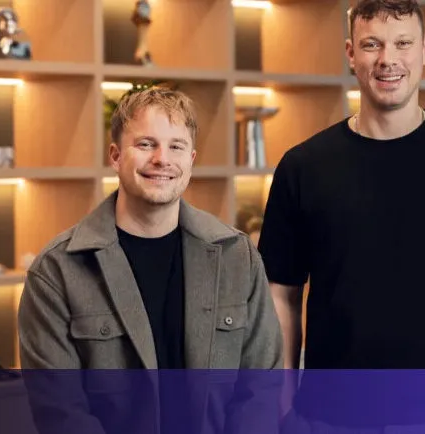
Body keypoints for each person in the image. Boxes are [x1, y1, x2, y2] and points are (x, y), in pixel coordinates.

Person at [257, 0, 425, 432]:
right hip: (330, 418)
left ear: (424, 49)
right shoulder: (303, 167)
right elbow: (281, 298)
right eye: (372, 45)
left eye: (402, 43)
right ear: (351, 53)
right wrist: (283, 410)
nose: (388, 60)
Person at [17, 86, 283, 434]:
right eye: (145, 144)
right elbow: (62, 413)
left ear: (191, 160)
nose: (162, 159)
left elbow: (261, 391)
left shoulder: (238, 258)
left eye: (176, 146)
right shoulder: (56, 272)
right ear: (115, 156)